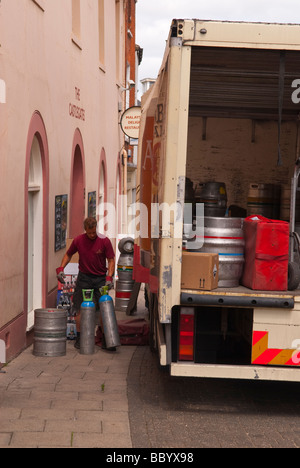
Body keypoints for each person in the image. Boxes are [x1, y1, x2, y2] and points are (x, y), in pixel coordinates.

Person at [56, 217, 115, 350]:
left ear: (96, 228)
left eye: (94, 232)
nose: (92, 235)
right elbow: (68, 254)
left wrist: (109, 278)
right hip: (84, 278)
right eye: (89, 233)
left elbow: (111, 260)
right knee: (79, 308)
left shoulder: (104, 241)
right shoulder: (78, 240)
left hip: (100, 278)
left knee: (103, 308)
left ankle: (106, 339)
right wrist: (61, 269)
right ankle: (80, 338)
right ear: (85, 230)